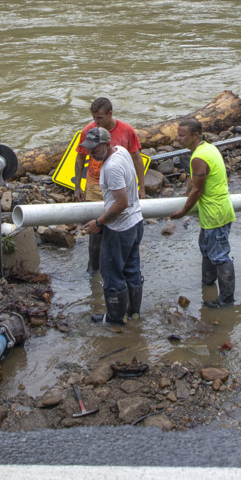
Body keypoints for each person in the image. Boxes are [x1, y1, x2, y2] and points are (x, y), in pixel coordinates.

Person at [169, 118, 238, 308]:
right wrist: (187, 189)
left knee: (220, 256)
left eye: (182, 135)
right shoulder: (207, 148)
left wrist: (183, 211)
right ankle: (207, 283)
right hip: (215, 211)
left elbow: (198, 190)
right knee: (207, 249)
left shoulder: (199, 157)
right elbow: (196, 178)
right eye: (178, 134)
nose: (178, 138)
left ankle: (226, 299)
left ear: (195, 135)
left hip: (216, 213)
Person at [74, 97, 146, 275]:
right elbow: (80, 158)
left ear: (110, 114)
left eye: (99, 118)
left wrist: (141, 187)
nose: (95, 122)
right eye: (93, 118)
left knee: (116, 224)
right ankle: (94, 267)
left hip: (119, 184)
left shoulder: (126, 130)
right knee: (95, 232)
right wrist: (77, 186)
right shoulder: (89, 131)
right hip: (95, 184)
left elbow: (137, 158)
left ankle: (115, 265)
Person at [80, 127, 144, 324]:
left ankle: (115, 319)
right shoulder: (122, 151)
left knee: (111, 273)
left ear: (107, 144)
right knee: (132, 268)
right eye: (88, 149)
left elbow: (121, 203)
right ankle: (133, 313)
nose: (91, 153)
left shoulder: (111, 167)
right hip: (136, 222)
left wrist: (99, 222)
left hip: (120, 228)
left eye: (95, 149)